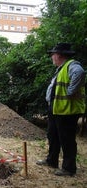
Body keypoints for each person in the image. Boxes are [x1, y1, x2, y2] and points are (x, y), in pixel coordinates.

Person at [36, 43, 86, 176]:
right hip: (57, 109)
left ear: (59, 55)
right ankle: (52, 160)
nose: (52, 57)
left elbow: (80, 73)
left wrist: (71, 91)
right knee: (53, 136)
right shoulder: (61, 68)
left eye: (53, 54)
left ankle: (69, 169)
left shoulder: (72, 65)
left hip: (67, 111)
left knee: (67, 140)